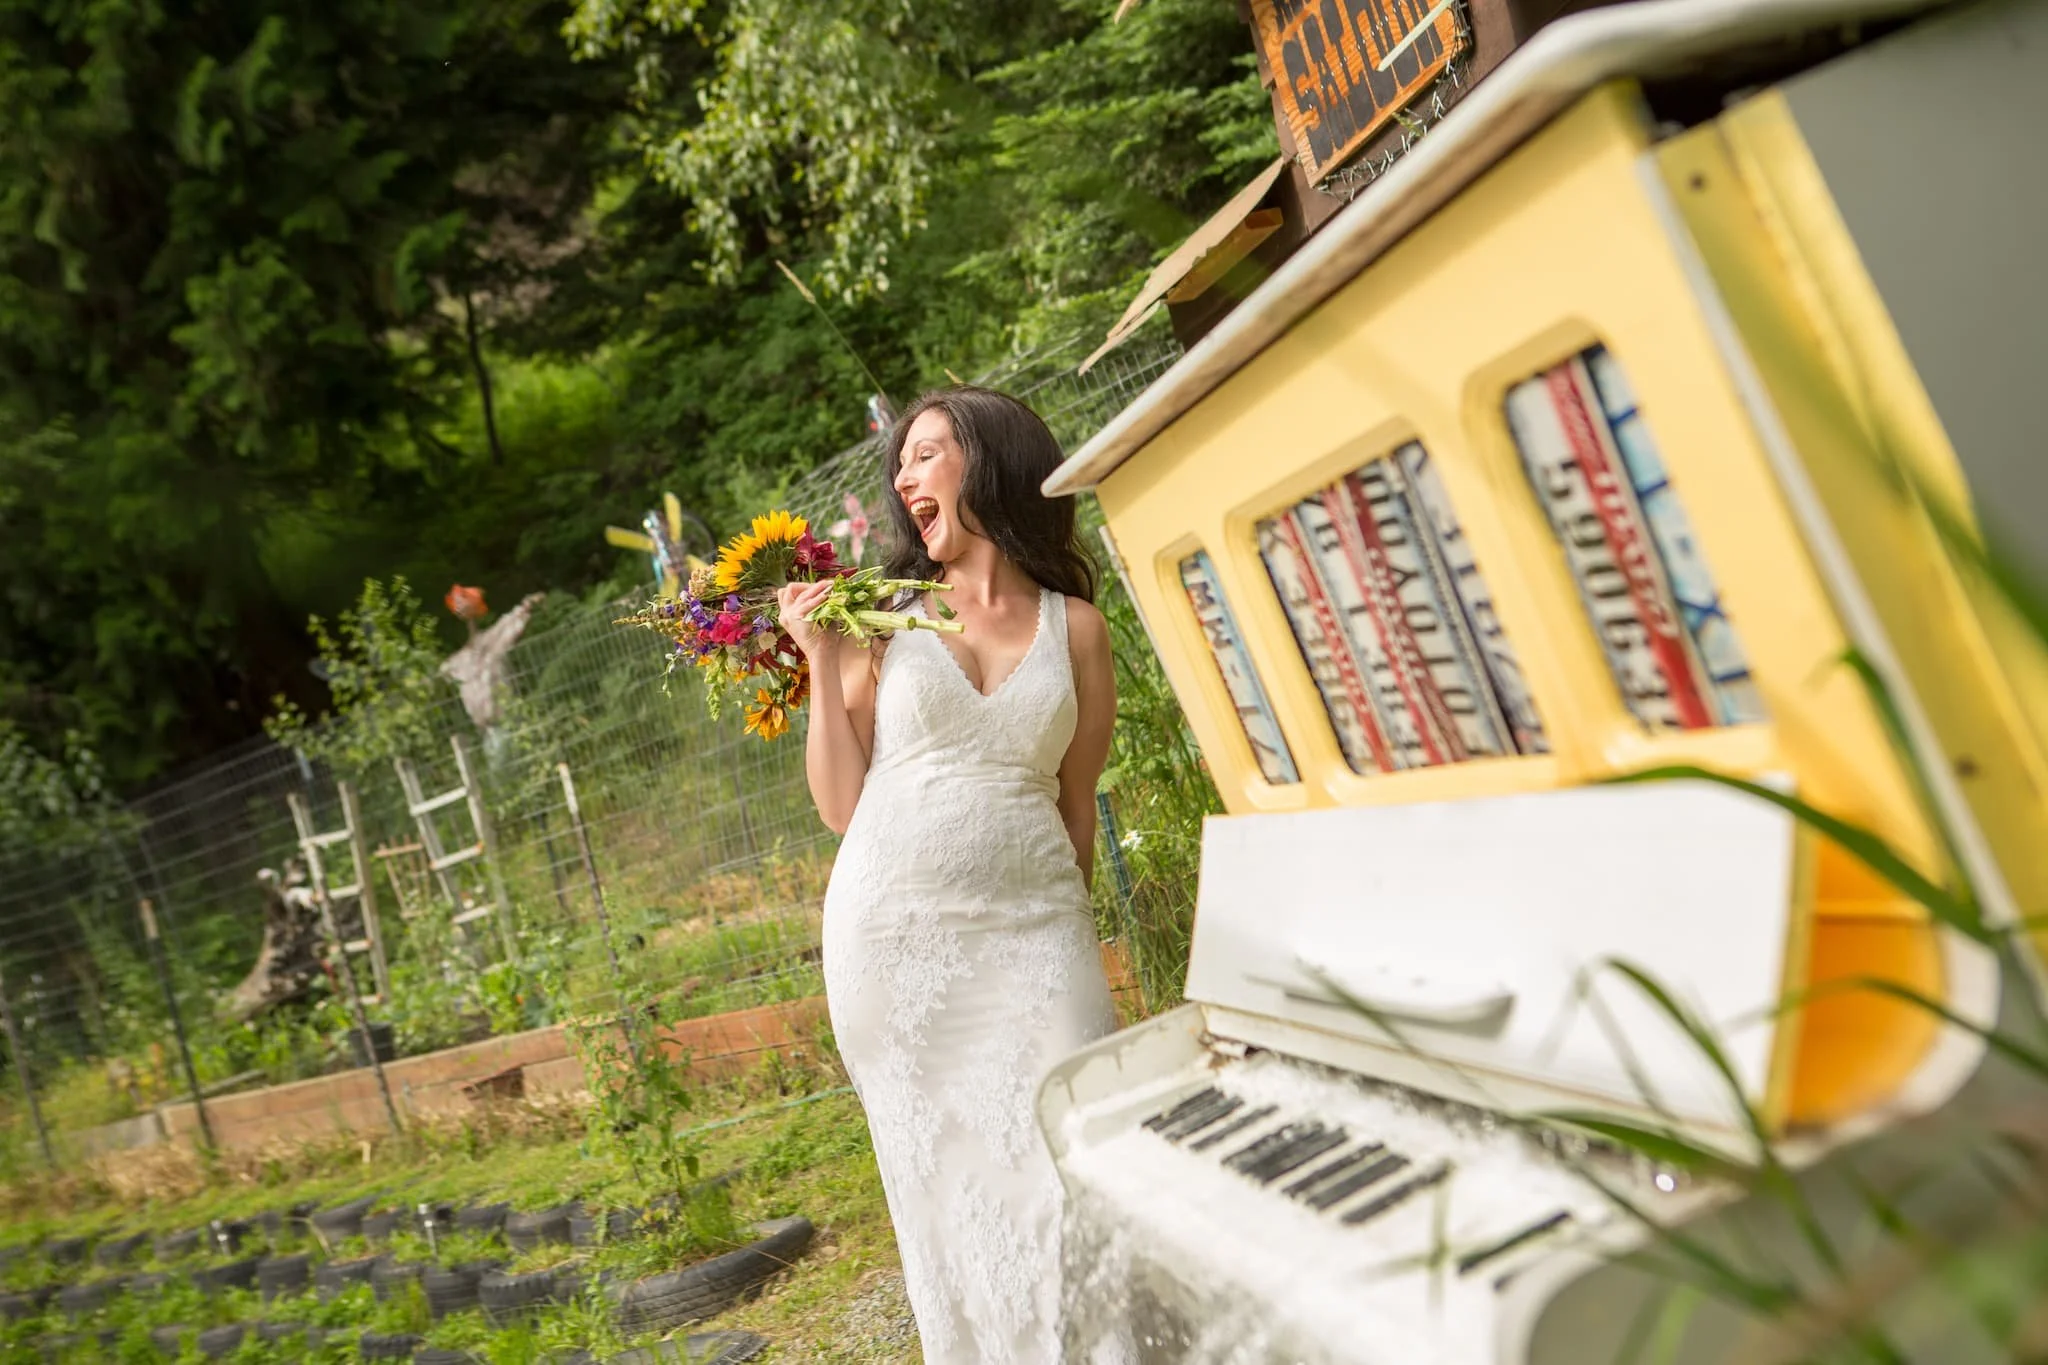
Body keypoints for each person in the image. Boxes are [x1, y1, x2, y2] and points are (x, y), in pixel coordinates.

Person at [778, 385, 1121, 1364]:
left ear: (992, 461)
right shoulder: (882, 618)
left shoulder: (1077, 629)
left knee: (1077, 1160)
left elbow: (1077, 802)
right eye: (901, 463)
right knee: (949, 1190)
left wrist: (1066, 931)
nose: (903, 478)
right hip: (894, 943)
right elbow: (840, 806)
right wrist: (820, 658)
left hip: (1036, 933)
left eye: (925, 453)